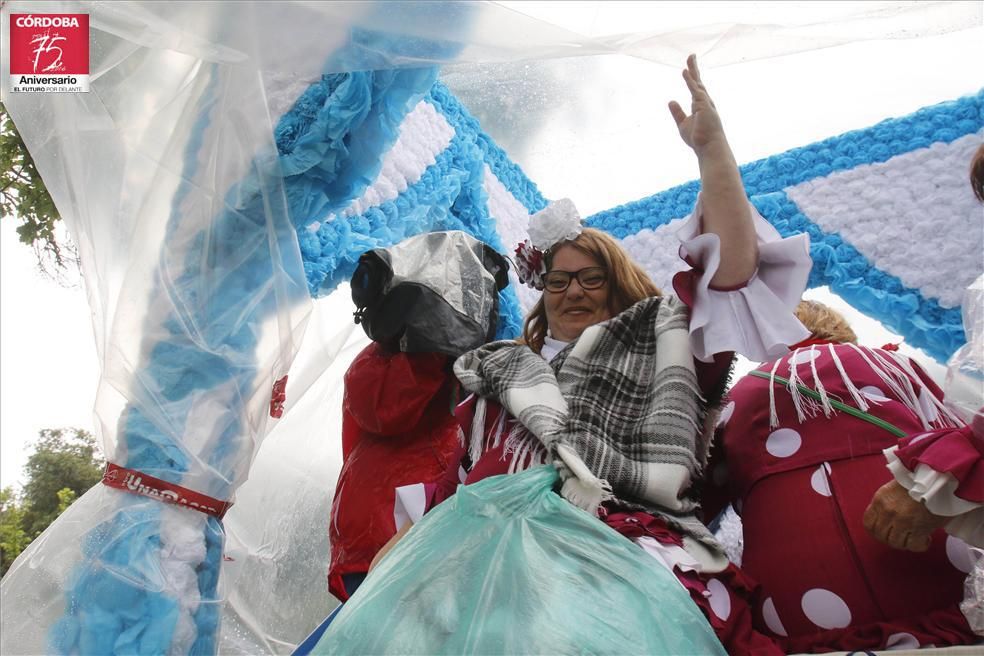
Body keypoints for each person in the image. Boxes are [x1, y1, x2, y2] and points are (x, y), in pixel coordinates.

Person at [376, 54, 813, 655]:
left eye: (591, 277)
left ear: (618, 283)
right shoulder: (497, 370)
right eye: (558, 280)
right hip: (474, 570)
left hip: (616, 563)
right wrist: (396, 563)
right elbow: (460, 480)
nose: (573, 290)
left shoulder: (667, 342)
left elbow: (733, 275)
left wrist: (713, 157)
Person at [706, 299, 981, 653]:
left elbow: (703, 496)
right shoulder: (894, 365)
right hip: (942, 579)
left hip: (800, 610)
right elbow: (961, 446)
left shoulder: (739, 395)